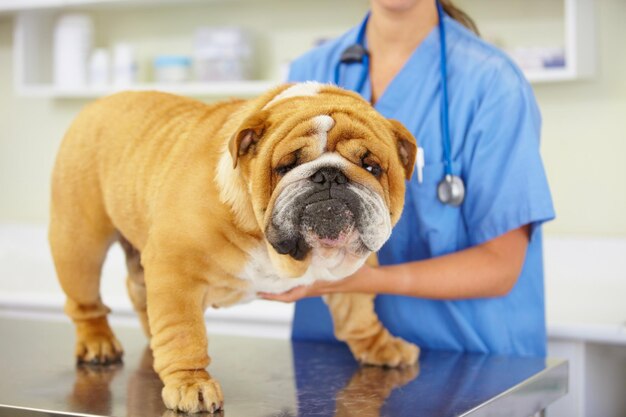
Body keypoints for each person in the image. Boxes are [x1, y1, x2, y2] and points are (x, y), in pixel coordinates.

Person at [261, 0, 555, 357]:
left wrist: (366, 280)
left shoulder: (492, 82)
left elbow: (500, 266)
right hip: (332, 355)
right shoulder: (312, 71)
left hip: (466, 356)